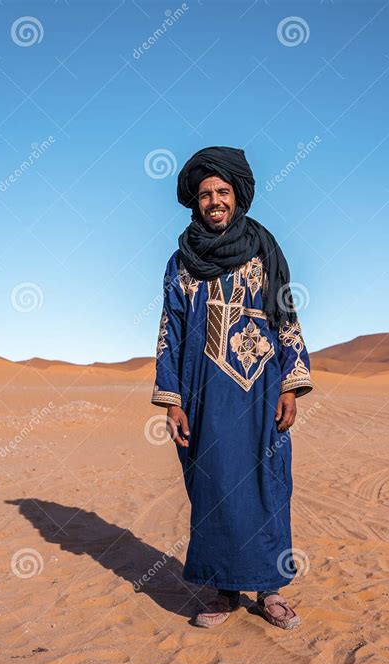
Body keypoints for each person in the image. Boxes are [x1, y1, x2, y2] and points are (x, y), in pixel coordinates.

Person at [151, 146, 313, 630]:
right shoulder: (181, 262)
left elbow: (287, 317)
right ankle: (223, 591)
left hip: (261, 392)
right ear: (195, 202)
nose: (214, 200)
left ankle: (270, 590)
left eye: (222, 191)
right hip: (203, 395)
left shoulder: (265, 251)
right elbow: (170, 330)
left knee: (268, 484)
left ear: (238, 196)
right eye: (205, 194)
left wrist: (290, 384)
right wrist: (172, 399)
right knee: (215, 486)